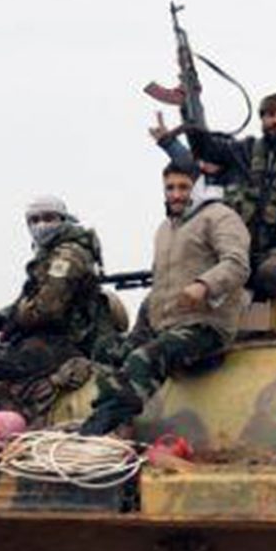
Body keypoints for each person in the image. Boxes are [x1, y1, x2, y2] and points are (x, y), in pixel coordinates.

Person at [82, 164, 251, 437]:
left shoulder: (219, 217)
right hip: (166, 322)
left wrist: (204, 285)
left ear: (198, 188)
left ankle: (96, 430)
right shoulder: (166, 228)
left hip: (206, 325)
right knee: (107, 350)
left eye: (183, 187)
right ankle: (110, 416)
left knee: (144, 359)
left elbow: (237, 264)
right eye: (170, 188)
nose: (175, 194)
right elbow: (163, 280)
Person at [149, 73, 276, 297]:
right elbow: (204, 149)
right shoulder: (242, 151)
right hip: (238, 252)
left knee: (274, 273)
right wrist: (190, 104)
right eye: (270, 115)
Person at [0, 194, 110, 423]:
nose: (41, 225)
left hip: (66, 344)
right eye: (34, 220)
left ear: (63, 219)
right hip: (48, 341)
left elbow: (47, 309)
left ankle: (6, 431)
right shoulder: (48, 254)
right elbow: (28, 302)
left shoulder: (68, 256)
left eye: (48, 218)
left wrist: (14, 321)